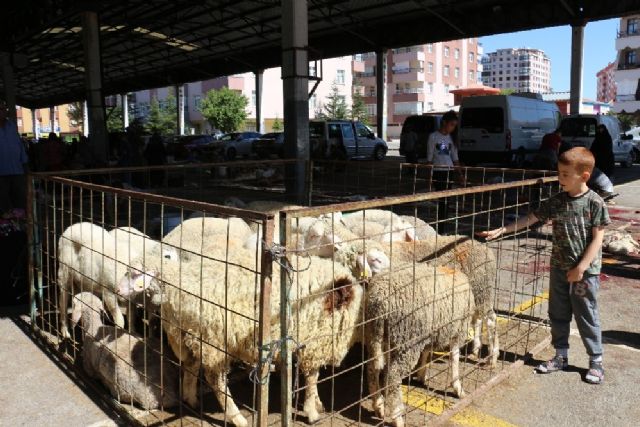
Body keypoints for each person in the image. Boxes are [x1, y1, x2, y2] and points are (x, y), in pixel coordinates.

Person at [477, 147, 609, 384]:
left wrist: (581, 267)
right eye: (559, 173)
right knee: (557, 312)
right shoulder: (557, 200)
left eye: (565, 174)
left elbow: (597, 239)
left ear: (584, 176)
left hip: (585, 273)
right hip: (559, 268)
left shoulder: (595, 203)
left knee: (586, 314)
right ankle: (560, 356)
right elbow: (532, 218)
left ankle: (596, 360)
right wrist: (503, 230)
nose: (560, 178)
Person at [426, 110, 462, 232]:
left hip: (449, 171)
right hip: (438, 172)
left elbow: (455, 158)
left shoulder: (451, 138)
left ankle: (443, 226)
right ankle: (441, 228)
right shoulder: (433, 137)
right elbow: (429, 158)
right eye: (451, 124)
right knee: (442, 200)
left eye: (454, 125)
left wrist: (460, 174)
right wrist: (430, 177)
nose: (453, 128)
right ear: (444, 122)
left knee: (447, 200)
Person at [0, 100, 29, 211]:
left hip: (17, 171)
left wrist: (25, 163)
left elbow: (19, 145)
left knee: (20, 200)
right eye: (0, 109)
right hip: (1, 173)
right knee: (3, 203)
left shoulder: (12, 125)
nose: (3, 111)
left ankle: (19, 220)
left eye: (4, 109)